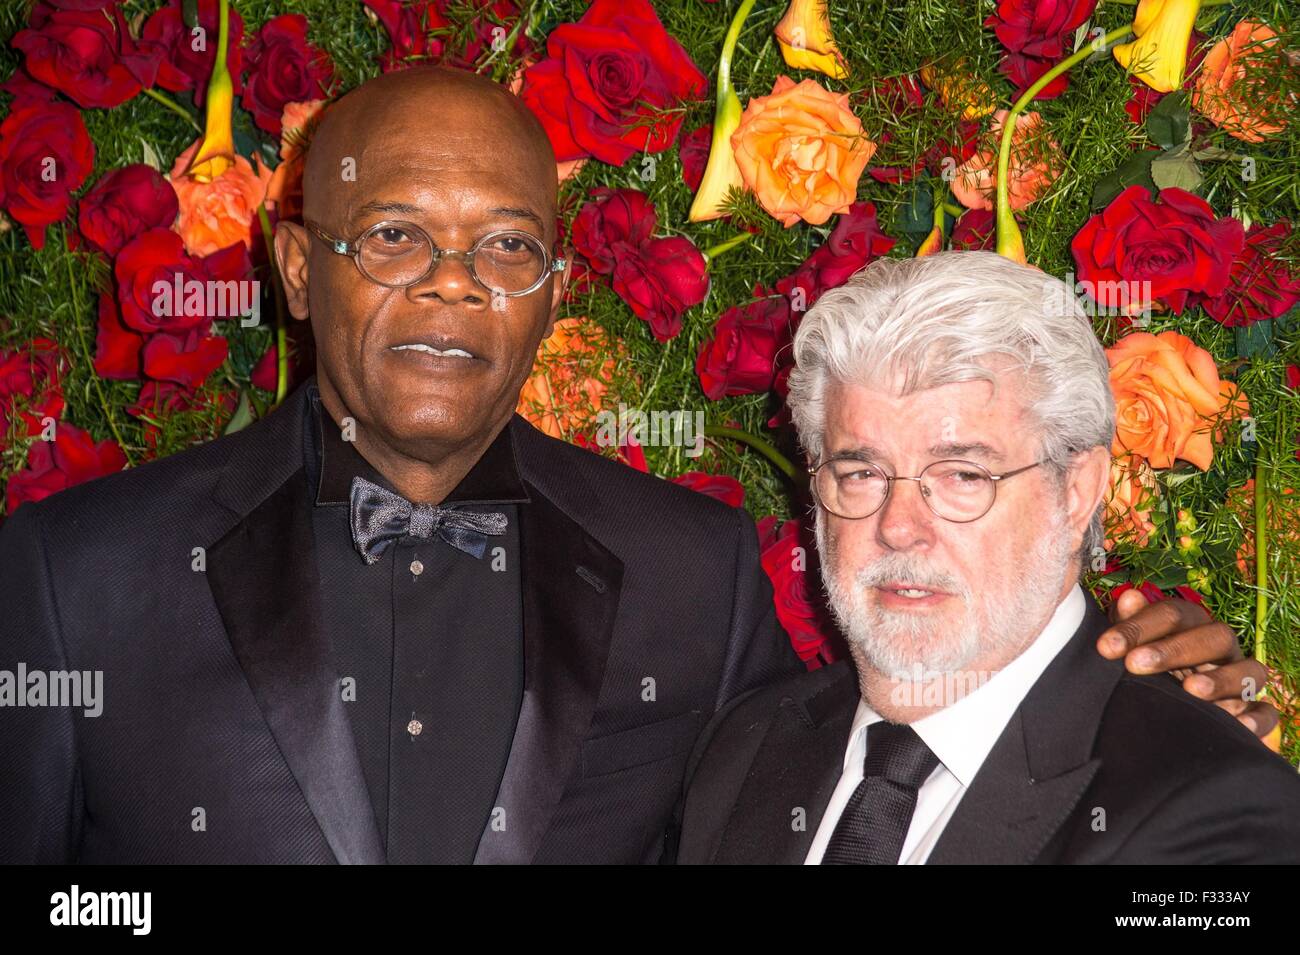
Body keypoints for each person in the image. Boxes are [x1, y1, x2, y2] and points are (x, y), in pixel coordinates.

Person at [0, 69, 1276, 864]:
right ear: (292, 268)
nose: (452, 282)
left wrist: (1138, 672)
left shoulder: (690, 568)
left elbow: (933, 728)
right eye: (393, 234)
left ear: (552, 290)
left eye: (505, 245)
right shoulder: (77, 574)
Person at [673, 252, 1300, 864]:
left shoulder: (1211, 808)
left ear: (1077, 489)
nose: (897, 528)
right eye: (861, 471)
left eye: (962, 476)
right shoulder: (746, 749)